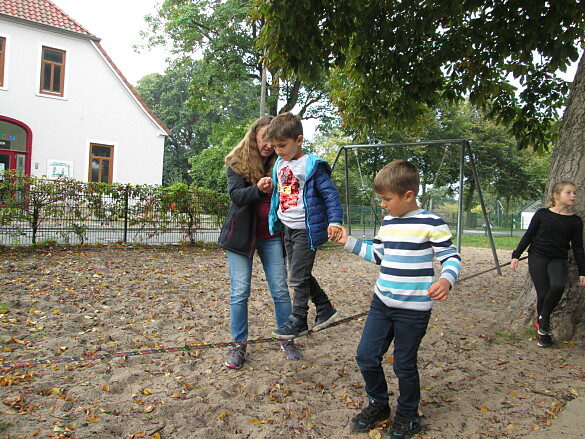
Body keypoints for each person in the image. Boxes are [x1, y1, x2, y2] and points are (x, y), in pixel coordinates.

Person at [331, 159, 461, 438]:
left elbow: (451, 257)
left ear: (408, 195)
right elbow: (378, 255)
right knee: (366, 356)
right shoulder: (388, 222)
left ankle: (408, 414)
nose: (383, 205)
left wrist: (446, 280)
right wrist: (348, 242)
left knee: (404, 364)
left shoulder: (432, 222)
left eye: (387, 199)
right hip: (381, 303)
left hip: (413, 310)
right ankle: (378, 404)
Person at [218, 116, 301, 369]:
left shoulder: (284, 162)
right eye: (264, 138)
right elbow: (236, 196)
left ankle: (287, 339)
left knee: (279, 289)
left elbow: (294, 194)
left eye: (273, 140)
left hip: (271, 235)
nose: (268, 144)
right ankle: (238, 345)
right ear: (253, 135)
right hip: (241, 237)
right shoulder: (237, 161)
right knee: (240, 292)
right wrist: (258, 189)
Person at [265, 112, 343, 339]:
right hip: (288, 227)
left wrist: (335, 221)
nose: (278, 151)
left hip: (305, 229)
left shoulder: (311, 165)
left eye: (282, 145)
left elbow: (330, 195)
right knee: (300, 273)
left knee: (297, 277)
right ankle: (324, 306)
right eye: (275, 146)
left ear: (299, 140)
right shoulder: (280, 163)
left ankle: (299, 319)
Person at [510, 181, 585, 348]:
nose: (573, 195)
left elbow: (578, 247)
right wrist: (516, 255)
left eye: (574, 193)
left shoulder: (575, 221)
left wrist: (583, 271)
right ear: (556, 195)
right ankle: (544, 333)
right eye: (568, 192)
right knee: (543, 294)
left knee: (558, 285)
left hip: (558, 259)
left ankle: (543, 318)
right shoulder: (542, 214)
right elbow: (529, 235)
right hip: (537, 257)